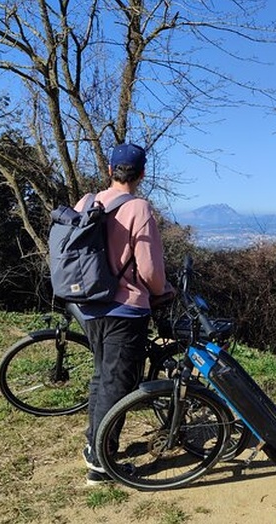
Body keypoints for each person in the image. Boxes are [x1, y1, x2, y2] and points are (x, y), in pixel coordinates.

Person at [75, 142, 173, 485]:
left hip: (88, 307)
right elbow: (150, 271)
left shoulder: (87, 202)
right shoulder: (139, 208)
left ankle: (95, 444)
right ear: (142, 174)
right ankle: (102, 465)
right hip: (124, 310)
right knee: (118, 384)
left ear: (109, 170)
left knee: (103, 376)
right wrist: (163, 292)